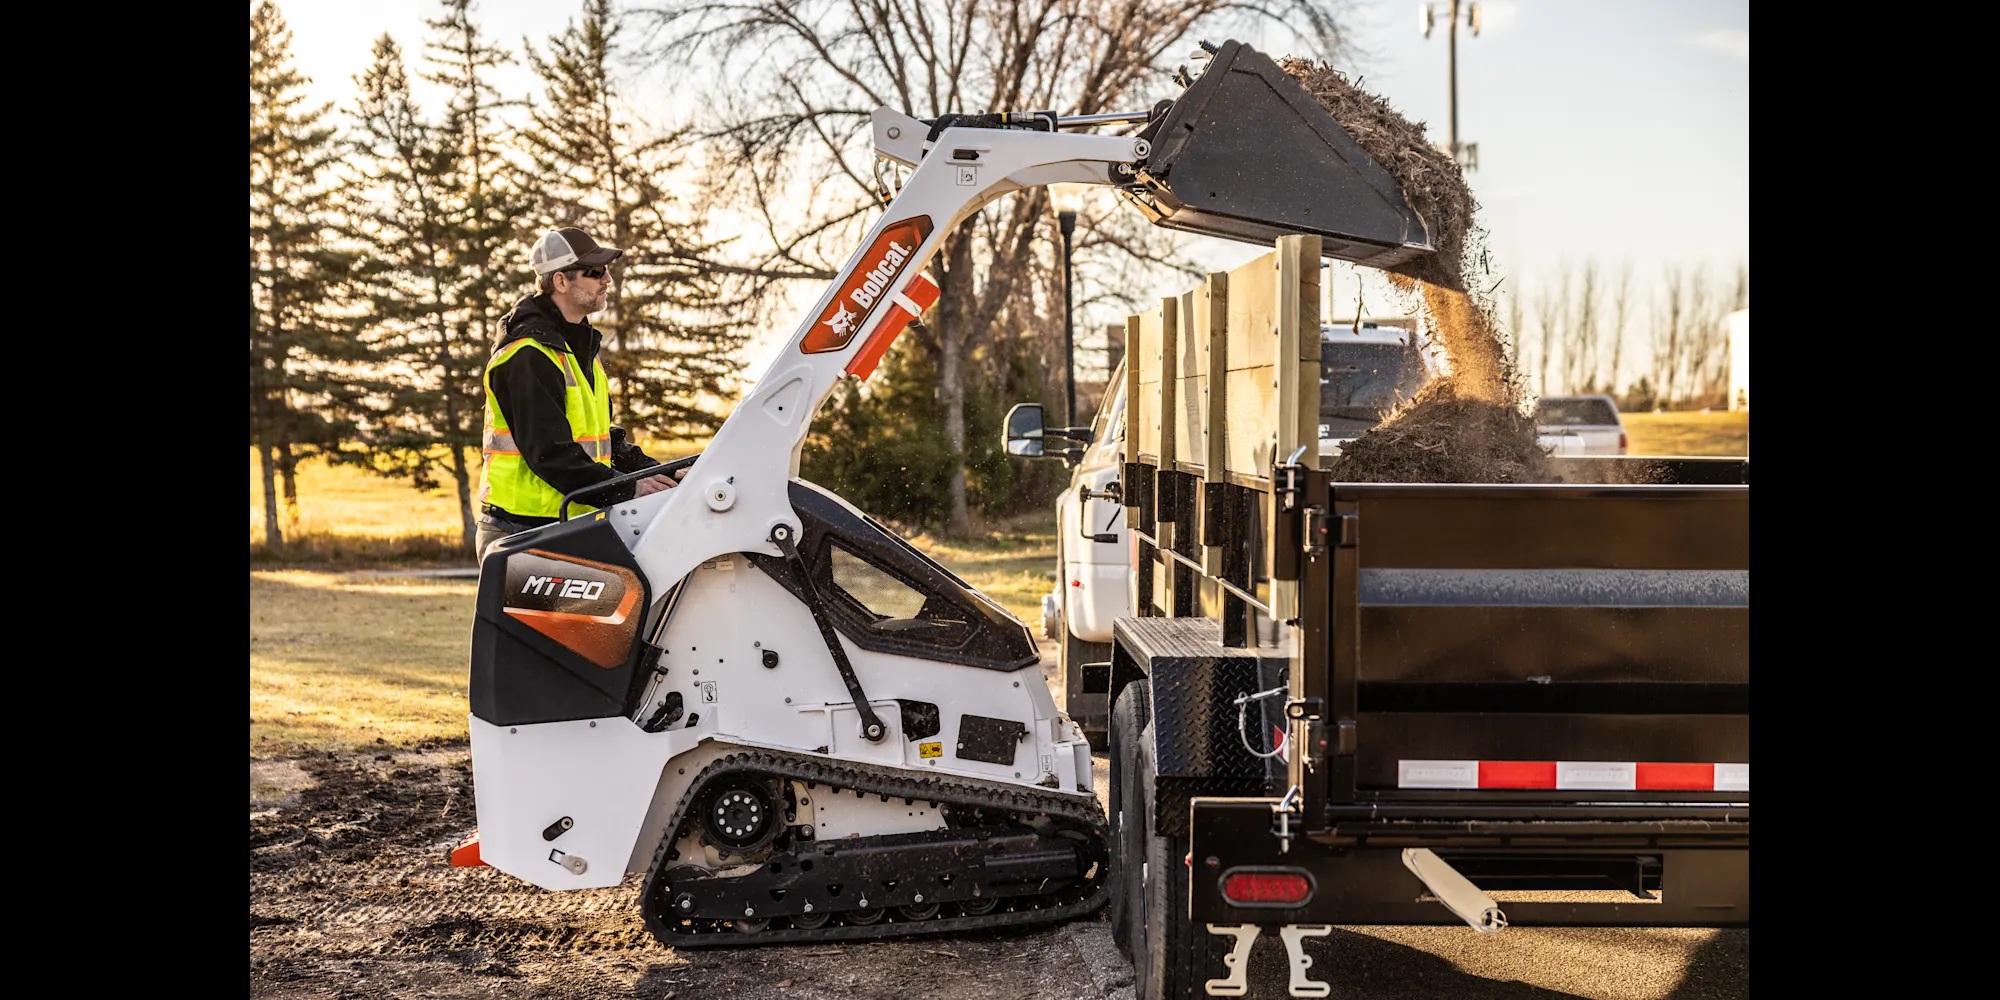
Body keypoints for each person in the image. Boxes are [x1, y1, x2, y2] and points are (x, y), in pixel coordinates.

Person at [475, 226, 681, 561]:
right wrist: (629, 489)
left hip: (566, 522)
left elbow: (603, 441)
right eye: (595, 272)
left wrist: (659, 473)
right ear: (560, 281)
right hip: (521, 530)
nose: (607, 280)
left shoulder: (576, 349)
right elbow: (551, 455)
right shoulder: (528, 355)